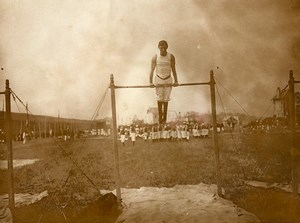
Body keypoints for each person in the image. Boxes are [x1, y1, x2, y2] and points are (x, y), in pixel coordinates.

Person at [149, 40, 179, 125]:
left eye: (164, 47)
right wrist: (150, 82)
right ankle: (160, 118)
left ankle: (164, 119)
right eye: (161, 47)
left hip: (168, 79)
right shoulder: (155, 57)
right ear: (158, 47)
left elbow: (173, 69)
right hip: (158, 79)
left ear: (167, 47)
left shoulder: (171, 56)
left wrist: (176, 81)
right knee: (159, 98)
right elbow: (151, 70)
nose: (163, 49)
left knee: (166, 99)